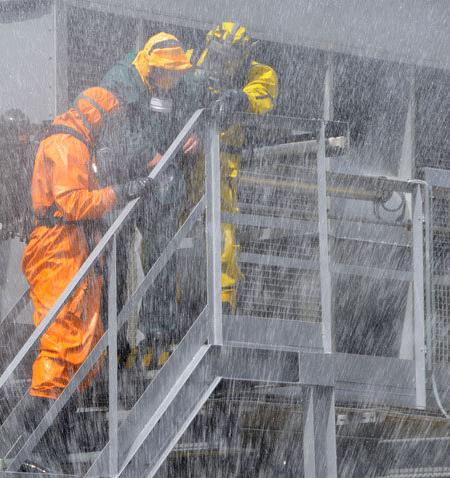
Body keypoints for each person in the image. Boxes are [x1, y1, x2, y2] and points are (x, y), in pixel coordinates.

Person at [20, 86, 152, 471]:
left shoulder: (77, 143)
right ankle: (44, 436)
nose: (113, 130)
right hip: (58, 250)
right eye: (111, 122)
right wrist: (120, 192)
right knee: (60, 342)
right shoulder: (65, 145)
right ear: (98, 118)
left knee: (82, 345)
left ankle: (55, 433)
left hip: (73, 249)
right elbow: (74, 202)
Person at [100, 32, 198, 357]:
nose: (174, 80)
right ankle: (112, 346)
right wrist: (147, 156)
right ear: (153, 67)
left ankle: (158, 335)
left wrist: (195, 133)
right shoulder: (120, 79)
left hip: (160, 185)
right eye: (169, 73)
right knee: (114, 259)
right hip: (122, 184)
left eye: (178, 74)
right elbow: (115, 132)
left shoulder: (181, 85)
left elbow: (199, 106)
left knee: (162, 256)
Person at [185, 21, 278, 313]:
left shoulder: (256, 74)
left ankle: (224, 303)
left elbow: (263, 95)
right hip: (185, 159)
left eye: (227, 57)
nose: (220, 62)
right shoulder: (192, 62)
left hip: (222, 160)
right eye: (217, 54)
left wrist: (240, 98)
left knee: (222, 233)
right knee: (178, 235)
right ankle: (179, 304)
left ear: (242, 55)